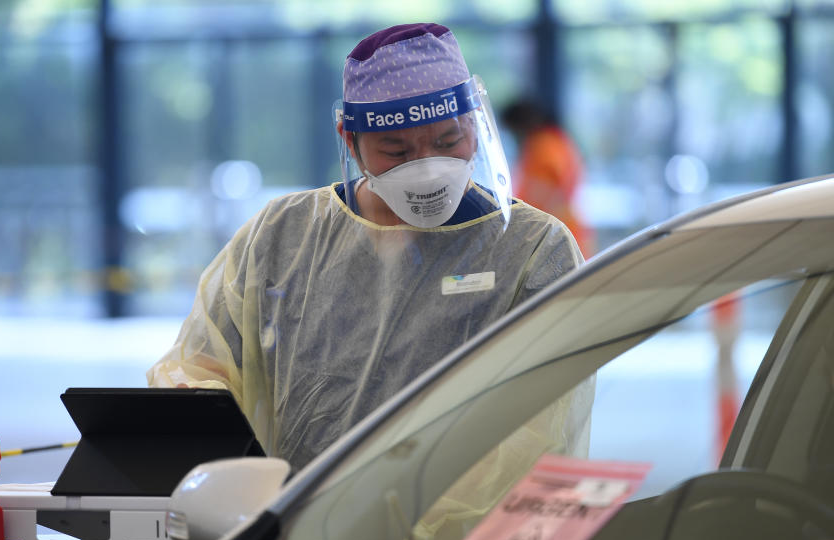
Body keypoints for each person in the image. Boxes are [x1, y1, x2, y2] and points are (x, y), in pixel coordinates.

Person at [148, 23, 584, 473]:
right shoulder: (285, 236)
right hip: (297, 521)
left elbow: (541, 431)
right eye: (395, 150)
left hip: (463, 536)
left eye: (447, 141)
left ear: (474, 124)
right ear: (350, 141)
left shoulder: (533, 249)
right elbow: (202, 365)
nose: (426, 170)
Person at [502, 99, 593, 257]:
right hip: (559, 231)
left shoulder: (544, 146)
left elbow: (546, 193)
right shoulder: (553, 141)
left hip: (555, 234)